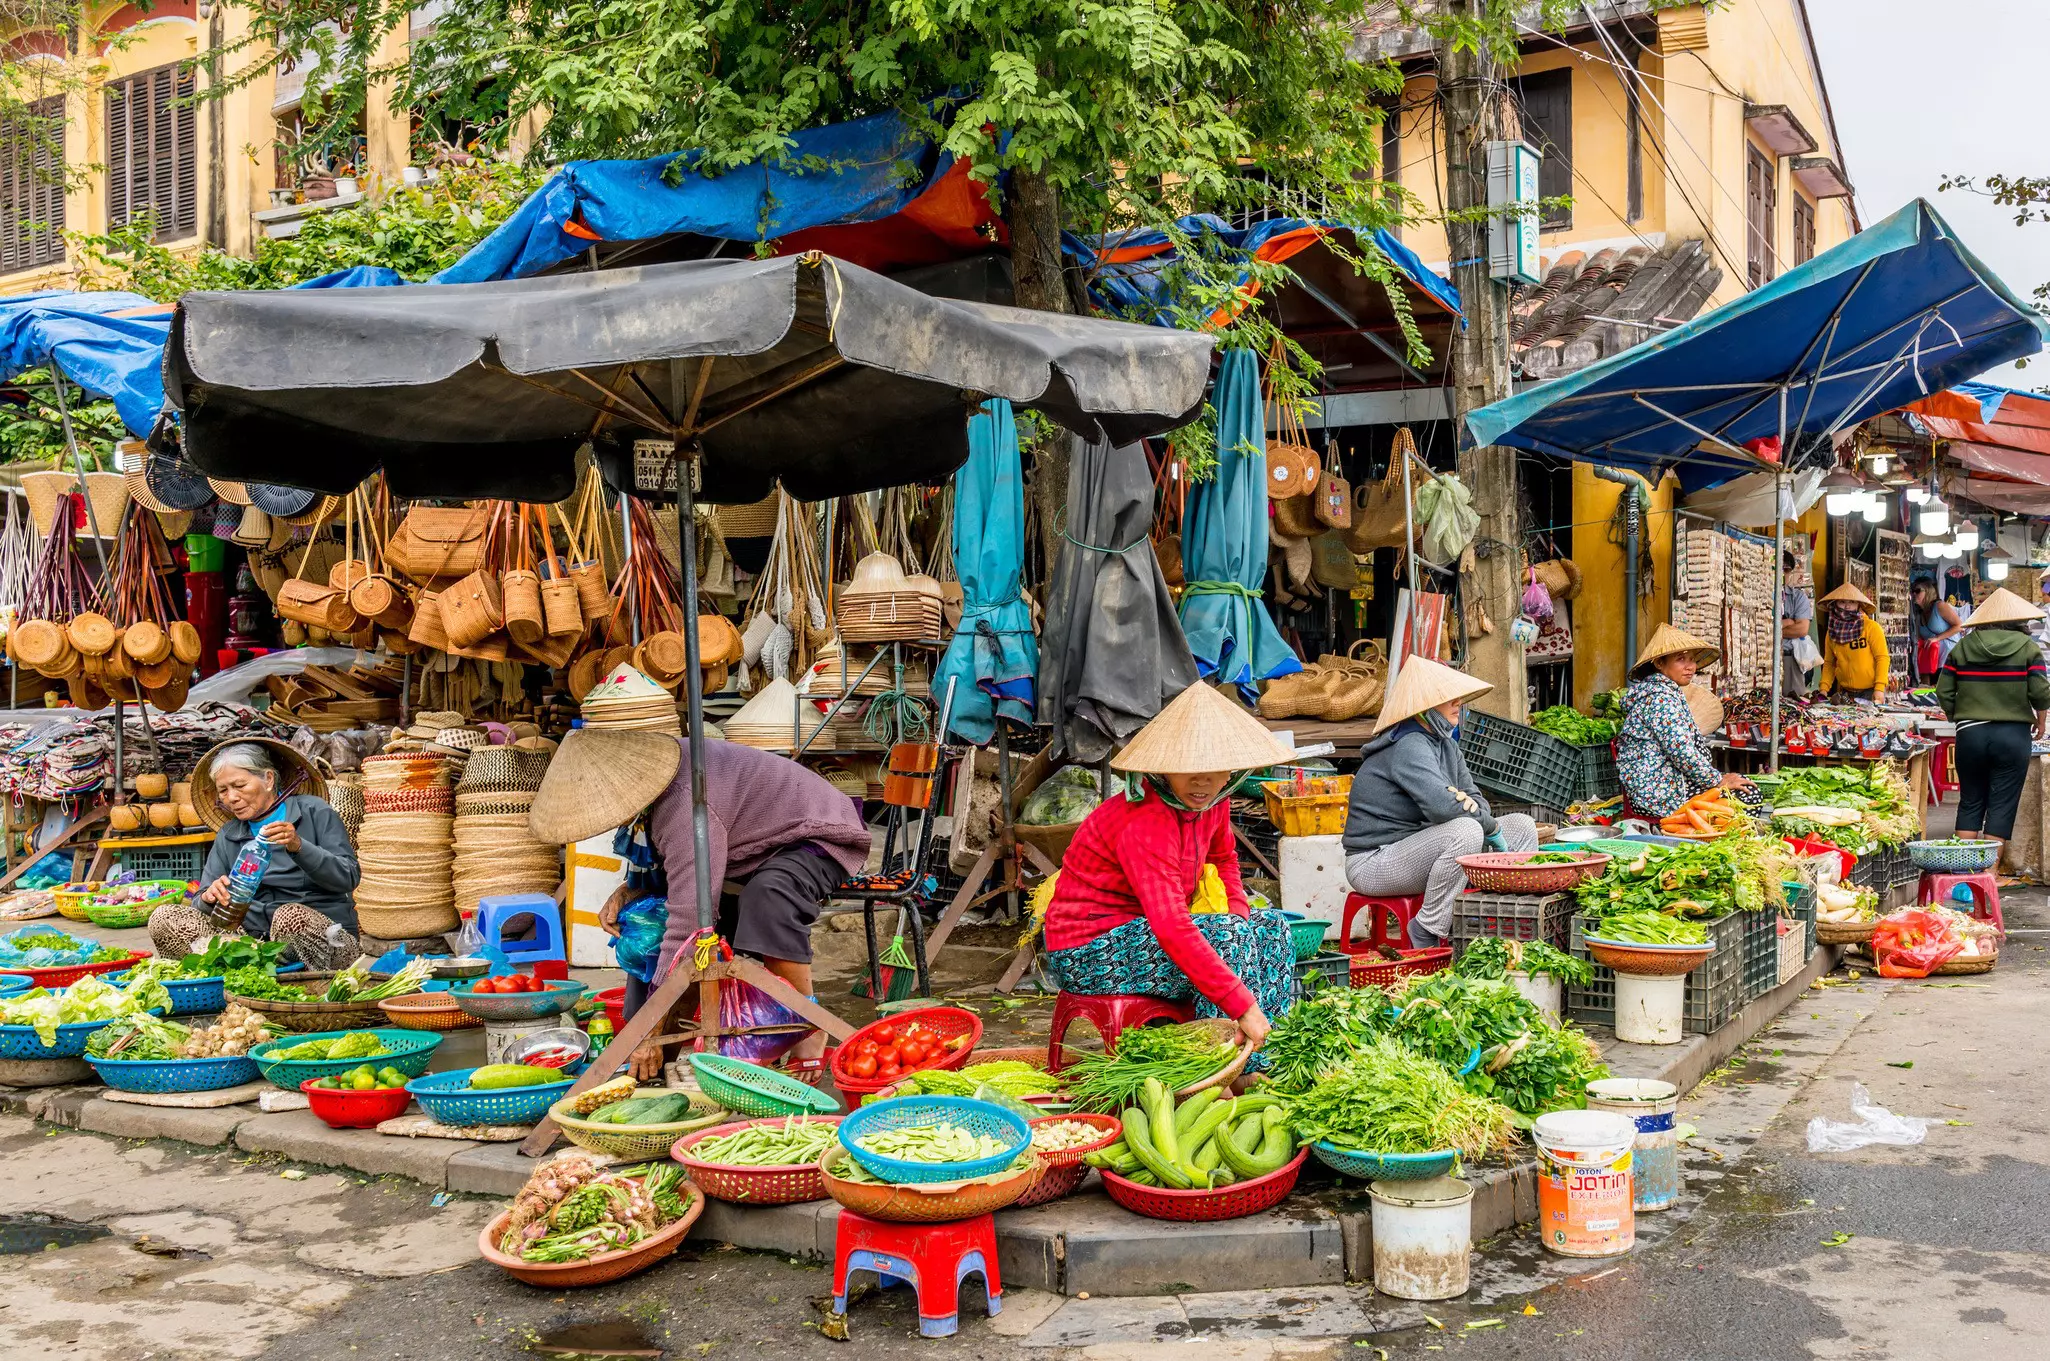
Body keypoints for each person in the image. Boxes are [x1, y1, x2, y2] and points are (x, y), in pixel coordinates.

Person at [529, 666, 871, 1080]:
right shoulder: (653, 797)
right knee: (647, 921)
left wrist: (650, 1030)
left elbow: (690, 922)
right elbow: (671, 879)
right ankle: (646, 1052)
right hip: (749, 845)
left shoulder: (685, 805)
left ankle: (807, 1026)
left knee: (768, 897)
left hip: (817, 833)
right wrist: (629, 890)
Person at [1042, 681, 1301, 1049]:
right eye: (1189, 769)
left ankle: (1261, 1054)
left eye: (1215, 770)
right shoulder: (1145, 820)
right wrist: (1242, 1006)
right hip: (1087, 950)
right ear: (1163, 769)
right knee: (1224, 938)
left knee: (1271, 928)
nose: (1203, 782)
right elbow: (1172, 927)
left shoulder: (1212, 803)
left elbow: (1224, 857)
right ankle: (1219, 1061)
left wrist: (1240, 915)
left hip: (1143, 933)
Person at [1342, 657, 1539, 950]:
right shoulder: (1408, 745)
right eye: (1447, 697)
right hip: (1373, 862)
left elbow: (1473, 797)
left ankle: (1503, 920)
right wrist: (1488, 825)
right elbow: (1443, 808)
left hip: (1418, 850)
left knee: (1523, 826)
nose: (1457, 703)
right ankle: (1426, 928)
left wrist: (1473, 810)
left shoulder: (1447, 745)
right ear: (1425, 705)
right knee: (1466, 831)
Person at [149, 739, 362, 967]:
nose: (232, 797)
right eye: (223, 790)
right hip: (252, 941)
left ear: (268, 779)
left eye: (239, 785)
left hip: (320, 936)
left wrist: (299, 846)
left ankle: (294, 976)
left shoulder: (314, 811)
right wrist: (208, 897)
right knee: (163, 918)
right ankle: (251, 966)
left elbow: (348, 877)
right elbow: (200, 902)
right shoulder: (229, 834)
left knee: (289, 916)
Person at [1935, 586, 2050, 860]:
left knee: (1971, 800)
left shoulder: (1963, 646)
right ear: (2019, 620)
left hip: (1971, 734)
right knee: (2002, 802)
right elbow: (2041, 692)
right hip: (2013, 735)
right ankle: (1989, 873)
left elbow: (1943, 692)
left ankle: (1963, 867)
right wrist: (2041, 721)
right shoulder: (2028, 648)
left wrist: (1960, 717)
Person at [1615, 623, 1745, 821]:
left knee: (1740, 786)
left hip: (1667, 780)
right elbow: (1682, 753)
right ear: (1659, 663)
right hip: (1658, 791)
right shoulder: (1660, 699)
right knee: (1746, 795)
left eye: (1692, 659)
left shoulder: (1663, 692)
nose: (1690, 666)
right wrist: (1717, 780)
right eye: (1680, 659)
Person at [1818, 583, 1891, 699]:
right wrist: (1823, 689)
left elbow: (1882, 658)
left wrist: (1879, 688)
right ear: (1835, 604)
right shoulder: (1832, 632)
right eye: (1842, 602)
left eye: (1852, 602)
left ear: (1858, 605)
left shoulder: (1871, 627)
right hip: (1845, 693)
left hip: (1870, 692)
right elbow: (1829, 663)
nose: (1847, 606)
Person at [1912, 578, 1964, 682]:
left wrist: (1937, 638)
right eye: (1912, 591)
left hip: (1948, 657)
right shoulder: (1919, 613)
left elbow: (1959, 626)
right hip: (1932, 661)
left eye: (1917, 591)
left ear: (1928, 591)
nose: (1914, 594)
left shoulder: (1940, 606)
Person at [1781, 550, 1816, 696]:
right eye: (1777, 568)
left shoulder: (1798, 598)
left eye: (1786, 570)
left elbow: (1801, 629)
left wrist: (1773, 628)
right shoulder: (1762, 594)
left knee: (1793, 704)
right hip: (1764, 657)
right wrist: (1789, 622)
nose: (1782, 574)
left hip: (1790, 658)